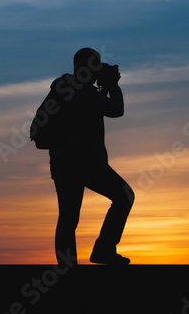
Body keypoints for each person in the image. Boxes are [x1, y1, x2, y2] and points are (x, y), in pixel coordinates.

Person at [48, 48, 134, 266]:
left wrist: (103, 87)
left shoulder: (65, 87)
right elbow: (115, 110)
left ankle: (66, 267)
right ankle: (103, 250)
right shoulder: (83, 91)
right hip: (86, 162)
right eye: (96, 65)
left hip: (63, 162)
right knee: (124, 196)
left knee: (68, 217)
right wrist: (113, 85)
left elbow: (89, 109)